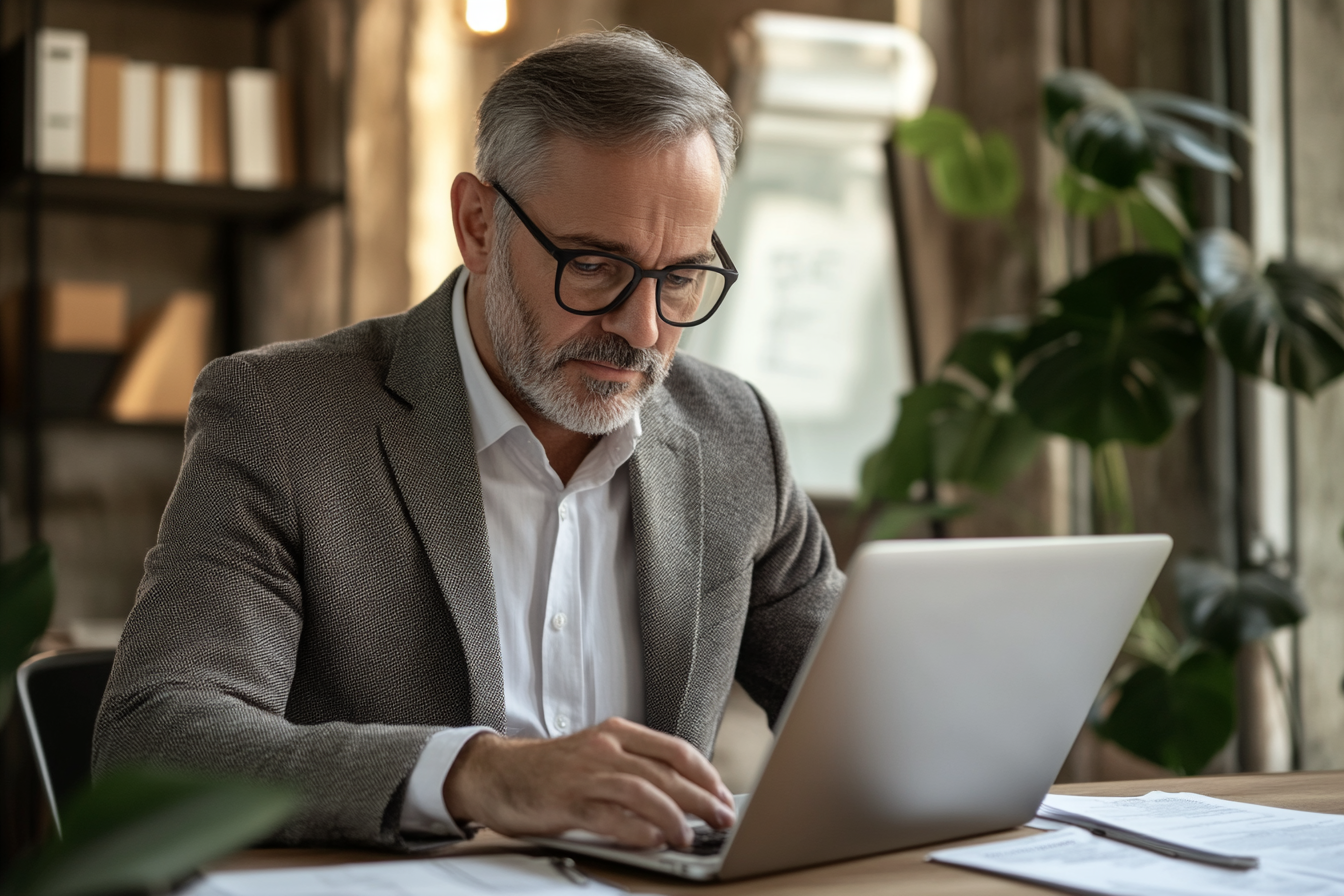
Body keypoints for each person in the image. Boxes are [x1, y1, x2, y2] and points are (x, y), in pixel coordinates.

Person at [93, 28, 844, 852]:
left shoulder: (735, 436)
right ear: (478, 224)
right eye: (593, 265)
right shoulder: (282, 418)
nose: (642, 327)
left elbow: (873, 708)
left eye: (681, 277)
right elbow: (152, 746)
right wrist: (476, 774)